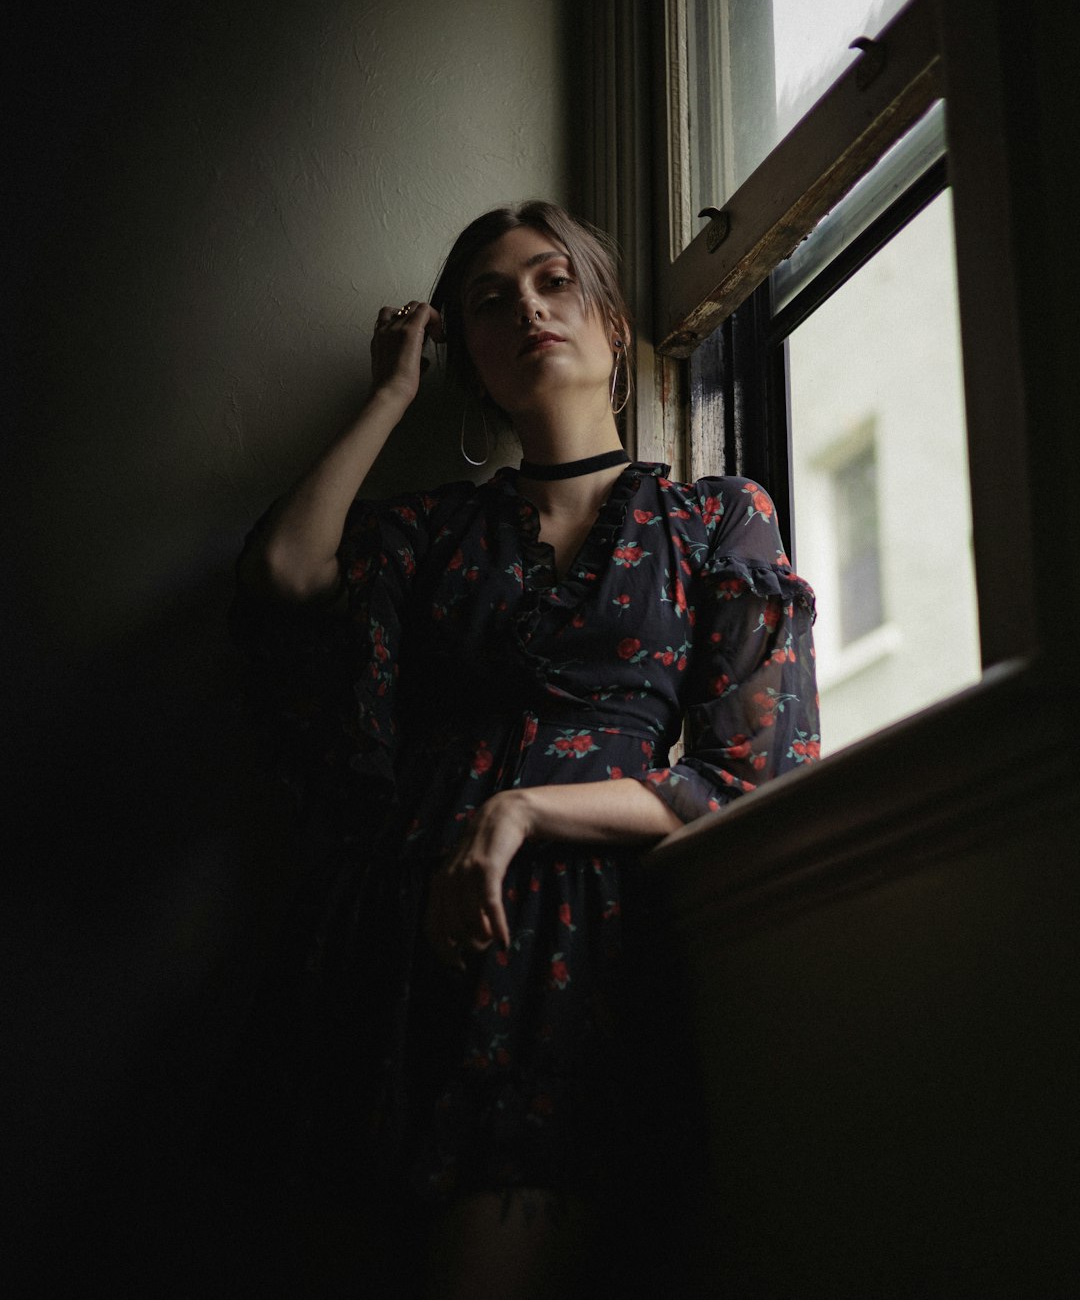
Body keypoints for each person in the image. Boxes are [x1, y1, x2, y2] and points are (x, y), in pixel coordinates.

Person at [231, 201, 819, 1298]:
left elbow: (752, 772)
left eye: (554, 282)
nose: (527, 310)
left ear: (615, 328)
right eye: (489, 302)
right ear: (471, 360)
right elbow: (286, 575)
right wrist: (392, 393)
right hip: (395, 929)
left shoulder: (711, 520)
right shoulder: (430, 530)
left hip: (573, 947)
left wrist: (523, 812)